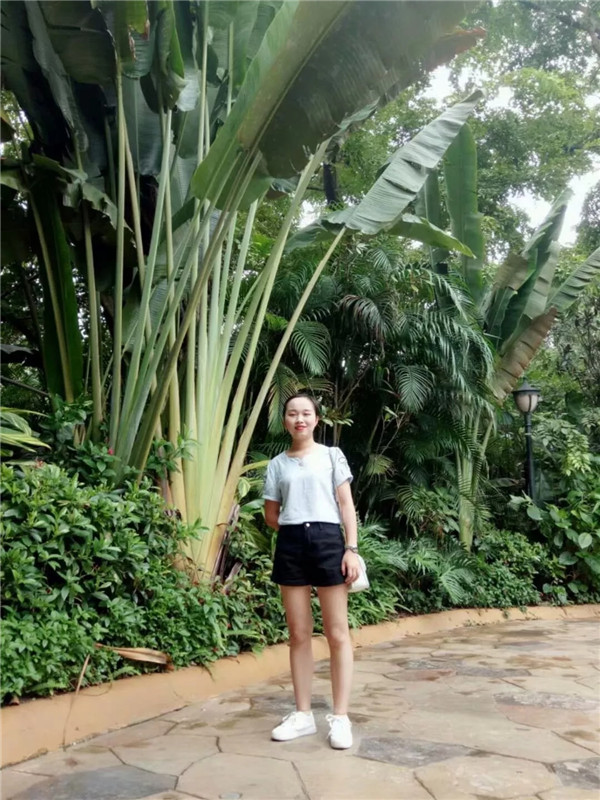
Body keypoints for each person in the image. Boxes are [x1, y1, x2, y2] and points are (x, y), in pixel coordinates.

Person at [263, 394, 360, 750]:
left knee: (337, 633)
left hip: (328, 541)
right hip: (291, 543)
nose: (299, 419)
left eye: (306, 413)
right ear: (285, 421)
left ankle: (341, 717)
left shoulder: (332, 456)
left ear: (317, 419)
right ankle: (303, 715)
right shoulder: (277, 464)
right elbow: (271, 515)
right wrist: (296, 529)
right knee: (299, 634)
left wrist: (351, 549)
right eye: (292, 414)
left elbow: (346, 504)